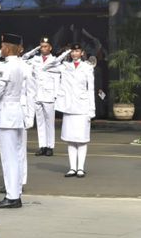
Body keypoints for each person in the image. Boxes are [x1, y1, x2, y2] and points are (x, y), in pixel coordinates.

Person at [0, 33, 27, 208]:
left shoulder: (5, 67)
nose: (1, 49)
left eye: (3, 46)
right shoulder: (20, 64)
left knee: (8, 157)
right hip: (17, 112)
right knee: (16, 155)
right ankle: (16, 192)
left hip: (6, 114)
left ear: (7, 48)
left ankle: (12, 196)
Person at [51, 44, 94, 178]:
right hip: (68, 106)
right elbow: (48, 66)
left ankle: (80, 168)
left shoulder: (87, 67)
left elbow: (91, 89)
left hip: (82, 107)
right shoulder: (65, 66)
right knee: (70, 139)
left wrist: (91, 109)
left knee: (81, 139)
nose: (74, 54)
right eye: (72, 51)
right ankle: (72, 168)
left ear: (82, 52)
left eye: (77, 51)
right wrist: (65, 53)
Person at [23, 36, 60, 157]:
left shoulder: (55, 60)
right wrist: (35, 49)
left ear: (50, 48)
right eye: (41, 46)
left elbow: (57, 79)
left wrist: (56, 95)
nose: (43, 49)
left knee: (49, 122)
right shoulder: (35, 59)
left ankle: (50, 146)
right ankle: (42, 145)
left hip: (49, 95)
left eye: (45, 46)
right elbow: (23, 59)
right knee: (40, 122)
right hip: (37, 94)